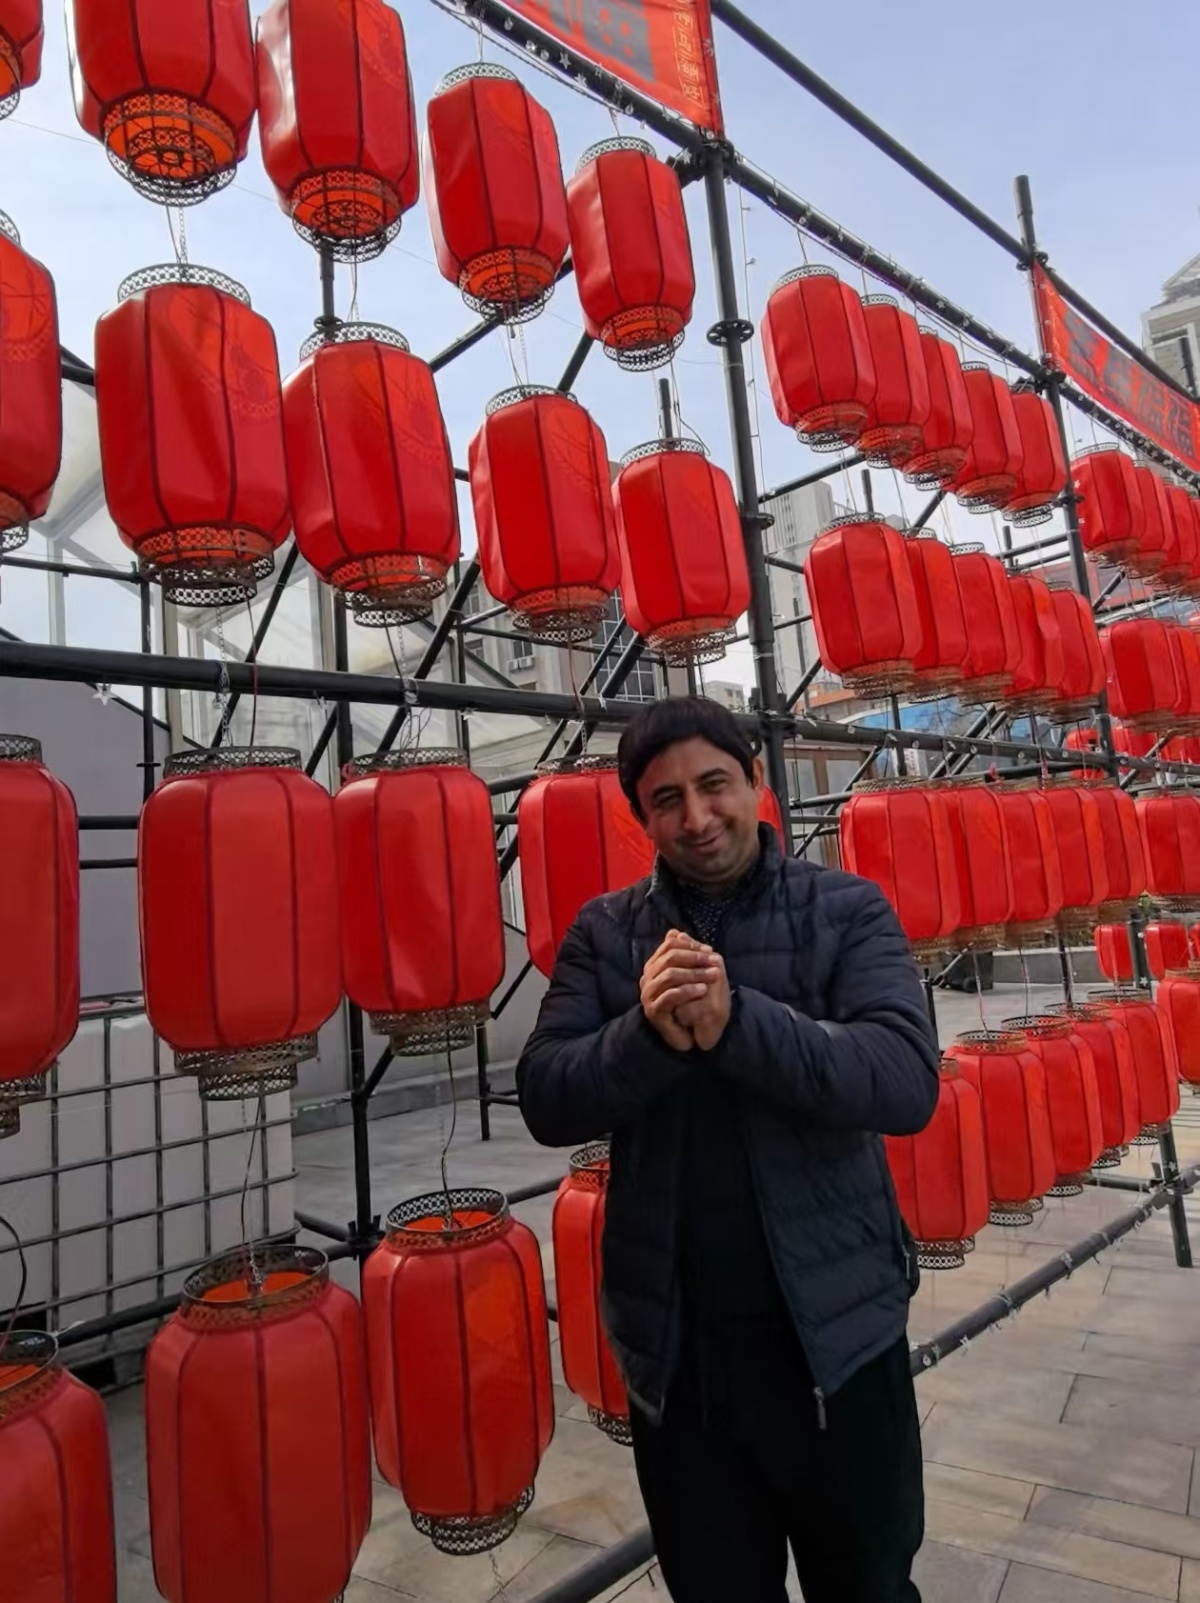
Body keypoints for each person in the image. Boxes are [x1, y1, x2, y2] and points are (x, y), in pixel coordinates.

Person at [517, 696, 939, 1603]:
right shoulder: (605, 935)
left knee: (868, 1584)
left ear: (755, 781)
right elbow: (546, 1093)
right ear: (641, 817)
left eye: (715, 784)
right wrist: (649, 1035)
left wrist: (739, 1022)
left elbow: (905, 1078)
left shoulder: (846, 910)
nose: (697, 817)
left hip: (837, 1344)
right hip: (683, 1363)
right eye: (666, 799)